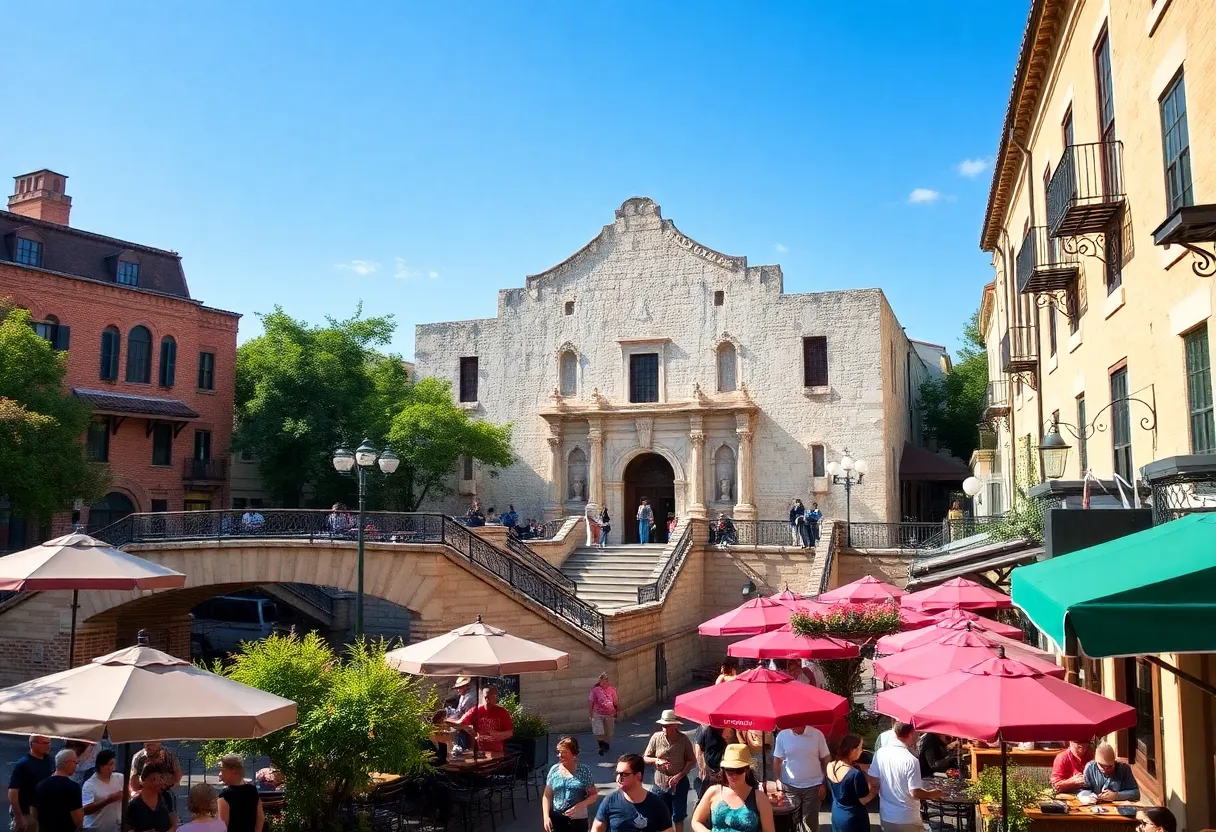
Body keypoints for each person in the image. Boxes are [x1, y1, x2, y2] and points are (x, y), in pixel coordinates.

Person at [871, 723, 943, 832]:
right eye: (917, 732)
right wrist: (932, 794)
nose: (918, 735)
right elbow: (915, 793)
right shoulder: (911, 760)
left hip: (887, 816)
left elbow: (873, 780)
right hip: (907, 818)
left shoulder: (880, 753)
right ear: (911, 734)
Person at [690, 744, 775, 832]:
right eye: (729, 771)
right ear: (723, 770)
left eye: (739, 770)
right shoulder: (713, 792)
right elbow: (696, 821)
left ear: (747, 770)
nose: (734, 776)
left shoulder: (760, 798)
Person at [772, 723, 832, 832]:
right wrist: (778, 780)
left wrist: (824, 782)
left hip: (814, 787)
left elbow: (826, 759)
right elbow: (777, 760)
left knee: (809, 824)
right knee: (793, 822)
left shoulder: (817, 735)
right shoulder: (782, 735)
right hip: (789, 787)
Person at [643, 711, 697, 832]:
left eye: (668, 726)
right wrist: (656, 760)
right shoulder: (656, 737)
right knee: (662, 815)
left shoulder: (683, 740)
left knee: (678, 815)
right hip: (660, 783)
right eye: (664, 726)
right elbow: (645, 757)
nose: (665, 729)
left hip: (680, 782)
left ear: (676, 725)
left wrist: (680, 775)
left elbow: (691, 760)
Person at [591, 754, 673, 832]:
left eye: (624, 774)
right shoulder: (610, 801)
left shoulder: (657, 805)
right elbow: (597, 828)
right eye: (617, 774)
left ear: (638, 776)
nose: (619, 778)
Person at [543, 736, 598, 832]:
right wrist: (546, 817)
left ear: (574, 754)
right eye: (558, 752)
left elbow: (593, 795)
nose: (560, 755)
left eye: (564, 752)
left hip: (578, 820)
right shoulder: (554, 770)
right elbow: (547, 796)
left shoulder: (584, 770)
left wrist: (579, 806)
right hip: (557, 818)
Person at [826, 735, 875, 832]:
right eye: (860, 748)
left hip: (837, 814)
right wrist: (874, 789)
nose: (861, 751)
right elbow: (863, 800)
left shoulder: (830, 766)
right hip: (853, 818)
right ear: (853, 750)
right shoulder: (855, 774)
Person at [449, 685, 514, 754]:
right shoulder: (475, 710)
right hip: (479, 752)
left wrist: (498, 735)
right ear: (485, 698)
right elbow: (460, 723)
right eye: (492, 696)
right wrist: (447, 722)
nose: (495, 698)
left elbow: (510, 732)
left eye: (495, 696)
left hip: (496, 751)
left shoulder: (502, 712)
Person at [8, 734, 53, 832]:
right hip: (26, 812)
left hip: (42, 812)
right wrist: (18, 816)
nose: (48, 745)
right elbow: (13, 792)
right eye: (45, 743)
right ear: (33, 744)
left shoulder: (48, 760)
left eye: (49, 743)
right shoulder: (23, 764)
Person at [30, 750, 81, 832]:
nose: (76, 766)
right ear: (67, 762)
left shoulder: (41, 785)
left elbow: (33, 811)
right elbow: (77, 817)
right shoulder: (73, 787)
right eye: (75, 762)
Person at [81, 750, 124, 832]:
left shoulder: (120, 777)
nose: (113, 767)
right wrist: (107, 800)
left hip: (116, 827)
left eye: (114, 764)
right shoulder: (89, 784)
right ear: (101, 766)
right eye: (110, 764)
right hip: (96, 827)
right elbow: (86, 810)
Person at [217, 756, 263, 832]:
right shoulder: (252, 790)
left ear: (233, 770)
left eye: (222, 770)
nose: (220, 774)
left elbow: (222, 826)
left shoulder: (225, 796)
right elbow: (260, 819)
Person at [126, 764, 173, 832]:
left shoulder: (166, 798)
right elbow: (128, 829)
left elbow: (174, 822)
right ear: (145, 781)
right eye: (155, 779)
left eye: (161, 778)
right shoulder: (134, 805)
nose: (160, 782)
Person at [693, 725, 731, 800]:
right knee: (705, 797)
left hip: (723, 768)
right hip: (708, 769)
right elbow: (698, 751)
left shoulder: (725, 728)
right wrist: (703, 769)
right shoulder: (704, 728)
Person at [588, 673, 620, 756]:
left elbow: (615, 702)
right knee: (599, 731)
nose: (603, 684)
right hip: (597, 713)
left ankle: (606, 745)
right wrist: (591, 714)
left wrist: (616, 711)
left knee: (609, 732)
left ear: (607, 681)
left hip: (609, 713)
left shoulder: (612, 690)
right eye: (601, 682)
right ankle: (601, 746)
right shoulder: (595, 690)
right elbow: (591, 702)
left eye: (604, 682)